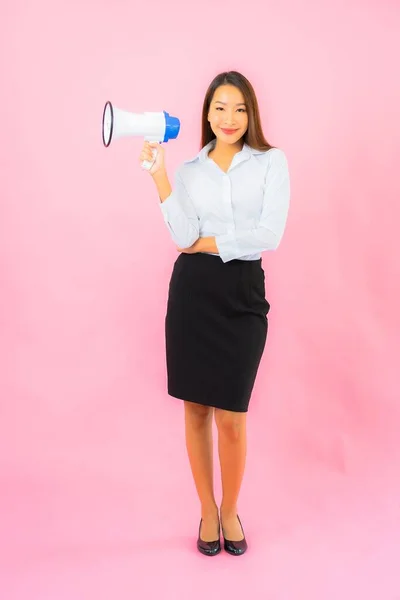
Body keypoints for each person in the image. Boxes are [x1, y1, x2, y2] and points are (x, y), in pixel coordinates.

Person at [139, 71, 290, 556]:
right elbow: (182, 236)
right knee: (196, 408)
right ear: (207, 112)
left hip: (243, 293)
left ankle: (231, 509)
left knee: (233, 416)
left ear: (252, 115)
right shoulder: (188, 170)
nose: (230, 118)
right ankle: (207, 509)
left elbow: (269, 235)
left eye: (240, 109)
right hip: (193, 295)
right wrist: (159, 175)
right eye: (221, 108)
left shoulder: (272, 163)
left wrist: (207, 242)